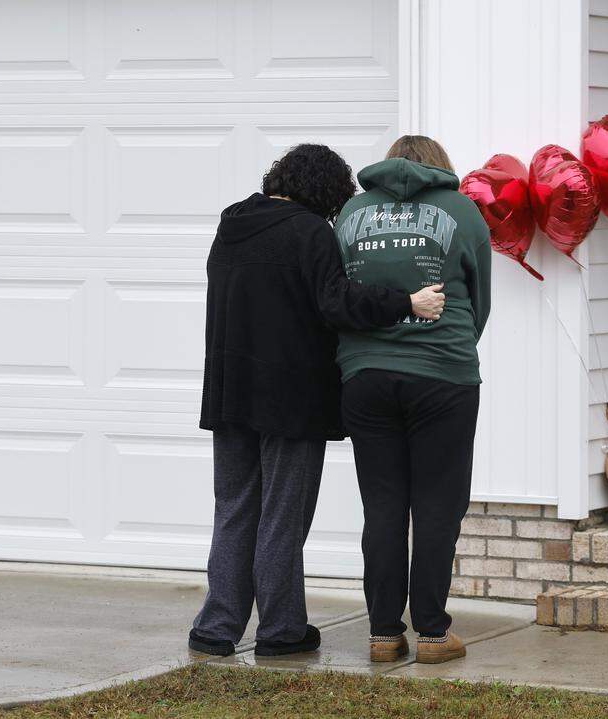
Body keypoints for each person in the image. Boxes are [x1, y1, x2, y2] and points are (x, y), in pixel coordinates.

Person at [190, 144, 446, 658]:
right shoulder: (309, 231)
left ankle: (216, 628)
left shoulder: (232, 225)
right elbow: (337, 303)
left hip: (230, 393)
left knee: (235, 510)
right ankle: (282, 630)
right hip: (290, 400)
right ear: (326, 191)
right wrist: (406, 302)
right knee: (283, 515)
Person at [334, 135, 491, 664]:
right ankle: (430, 632)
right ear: (441, 166)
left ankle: (382, 633)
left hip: (365, 376)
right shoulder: (462, 211)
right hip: (443, 373)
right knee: (437, 506)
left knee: (381, 505)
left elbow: (340, 294)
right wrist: (453, 348)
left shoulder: (352, 213)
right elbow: (480, 295)